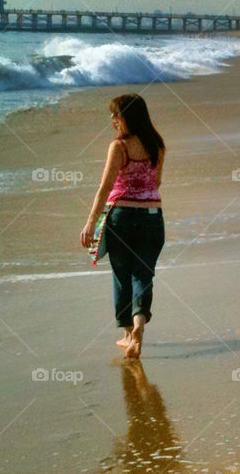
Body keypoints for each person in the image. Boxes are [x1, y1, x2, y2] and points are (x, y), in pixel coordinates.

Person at [81, 94, 165, 359]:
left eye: (116, 115)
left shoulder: (119, 147)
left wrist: (90, 223)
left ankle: (128, 334)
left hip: (122, 218)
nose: (113, 120)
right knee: (143, 273)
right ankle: (140, 325)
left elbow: (105, 188)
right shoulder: (157, 145)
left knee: (121, 275)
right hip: (153, 217)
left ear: (128, 117)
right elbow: (157, 183)